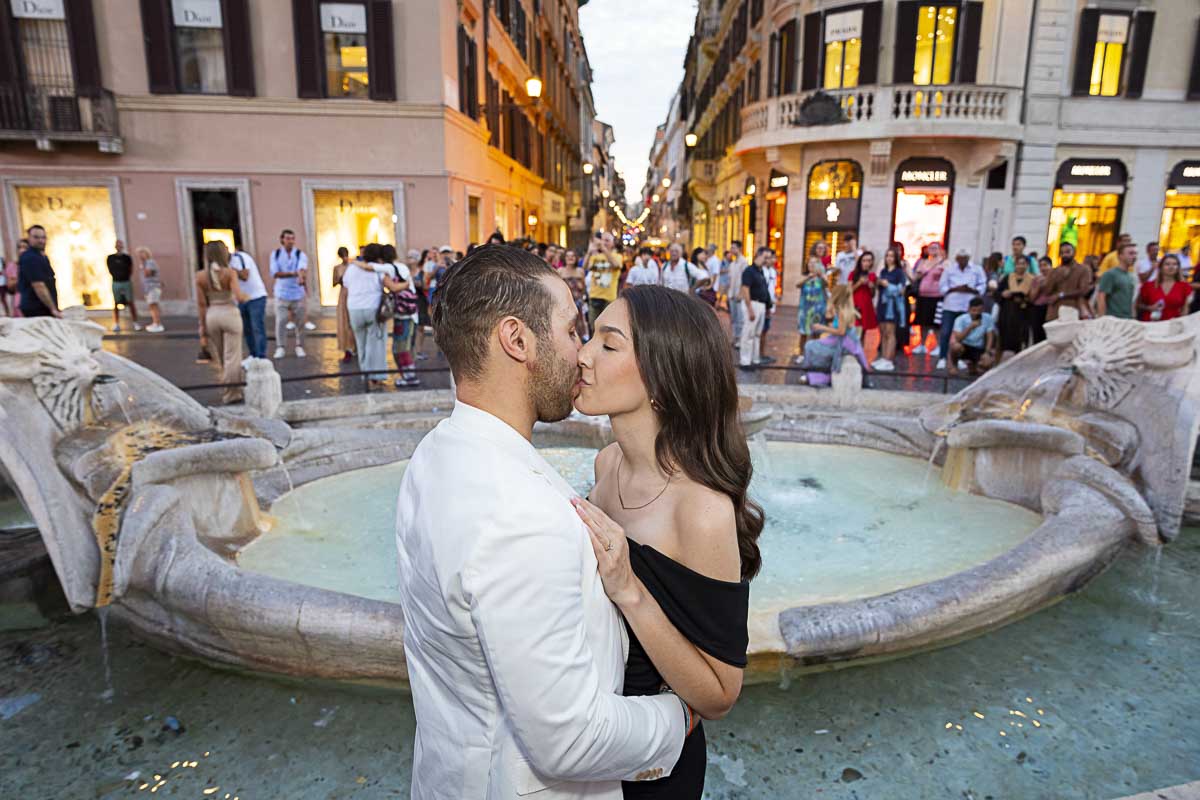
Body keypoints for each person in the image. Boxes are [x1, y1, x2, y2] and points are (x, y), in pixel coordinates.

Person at [395, 246, 698, 799]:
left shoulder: (435, 454)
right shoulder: (520, 517)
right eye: (570, 329)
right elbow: (568, 738)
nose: (581, 352)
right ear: (517, 340)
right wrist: (678, 720)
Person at [572, 285, 759, 797]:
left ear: (661, 377)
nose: (582, 356)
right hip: (596, 743)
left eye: (608, 346)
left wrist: (630, 589)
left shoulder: (699, 510)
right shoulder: (606, 464)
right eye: (589, 337)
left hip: (656, 765)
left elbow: (721, 695)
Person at [194, 242, 246, 405]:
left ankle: (232, 389)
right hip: (229, 313)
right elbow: (239, 296)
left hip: (212, 315)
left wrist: (202, 327)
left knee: (222, 357)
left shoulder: (200, 276)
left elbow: (202, 305)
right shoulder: (229, 273)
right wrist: (248, 297)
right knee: (233, 357)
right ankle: (232, 393)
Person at [344, 243, 396, 383]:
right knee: (376, 342)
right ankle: (376, 376)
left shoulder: (352, 268)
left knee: (360, 343)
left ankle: (365, 373)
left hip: (354, 308)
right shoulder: (379, 269)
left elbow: (346, 284)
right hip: (373, 308)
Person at [801, 284, 869, 386]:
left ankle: (814, 374)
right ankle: (813, 375)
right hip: (841, 339)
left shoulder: (842, 311)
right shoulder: (843, 309)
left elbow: (841, 332)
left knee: (810, 346)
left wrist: (822, 328)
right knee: (813, 346)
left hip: (843, 342)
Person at [936, 248, 987, 371]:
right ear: (957, 259)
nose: (962, 261)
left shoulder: (976, 269)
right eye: (960, 259)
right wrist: (954, 288)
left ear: (968, 259)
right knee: (946, 332)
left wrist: (972, 290)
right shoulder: (949, 269)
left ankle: (960, 359)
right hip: (951, 305)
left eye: (965, 259)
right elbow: (942, 286)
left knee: (965, 333)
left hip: (967, 306)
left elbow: (983, 284)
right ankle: (943, 357)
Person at [379, 243, 420, 387]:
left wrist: (402, 285)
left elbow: (393, 287)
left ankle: (410, 377)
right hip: (409, 313)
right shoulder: (401, 267)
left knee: (401, 348)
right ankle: (408, 375)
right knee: (402, 347)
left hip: (404, 315)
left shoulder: (388, 269)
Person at [270, 229, 309, 359]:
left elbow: (302, 268)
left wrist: (301, 276)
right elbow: (275, 273)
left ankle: (300, 346)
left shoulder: (299, 254)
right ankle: (280, 347)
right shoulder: (275, 254)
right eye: (288, 238)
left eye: (292, 238)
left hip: (297, 292)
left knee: (300, 321)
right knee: (281, 320)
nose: (290, 241)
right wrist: (293, 274)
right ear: (282, 240)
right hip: (281, 293)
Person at [227, 245, 267, 359]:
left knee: (257, 327)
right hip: (241, 299)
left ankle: (261, 356)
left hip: (256, 297)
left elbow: (245, 275)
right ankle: (253, 354)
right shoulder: (226, 265)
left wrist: (230, 271)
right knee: (247, 328)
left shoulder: (240, 257)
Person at [1037, 242, 1093, 322]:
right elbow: (1047, 291)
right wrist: (1055, 276)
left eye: (1067, 252)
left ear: (1074, 252)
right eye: (1062, 252)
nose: (1064, 255)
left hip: (1074, 311)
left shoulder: (1083, 269)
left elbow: (1084, 290)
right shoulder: (1055, 271)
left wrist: (1061, 295)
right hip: (1055, 313)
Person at [873, 246, 908, 371]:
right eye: (887, 256)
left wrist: (889, 286)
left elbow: (901, 290)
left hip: (892, 305)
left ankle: (889, 359)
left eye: (892, 256)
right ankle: (883, 356)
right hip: (882, 303)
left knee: (890, 332)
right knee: (882, 332)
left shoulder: (899, 272)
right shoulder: (883, 272)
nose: (889, 258)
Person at [995, 253, 1036, 359]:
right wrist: (1003, 294)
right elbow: (997, 293)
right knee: (1002, 340)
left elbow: (1034, 297)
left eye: (1024, 264)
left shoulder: (1032, 279)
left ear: (1027, 265)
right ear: (1015, 265)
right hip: (1007, 313)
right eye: (1018, 263)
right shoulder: (1008, 277)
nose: (1021, 266)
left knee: (1020, 340)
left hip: (1023, 313)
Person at [737, 247, 773, 368]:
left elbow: (764, 290)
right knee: (748, 334)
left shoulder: (760, 271)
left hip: (761, 305)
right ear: (758, 255)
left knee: (757, 334)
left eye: (768, 258)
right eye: (765, 257)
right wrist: (750, 308)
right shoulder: (749, 271)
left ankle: (754, 359)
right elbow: (745, 289)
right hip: (753, 304)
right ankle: (745, 361)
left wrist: (768, 307)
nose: (767, 260)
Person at [795, 240, 828, 362]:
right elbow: (797, 285)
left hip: (818, 307)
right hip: (805, 308)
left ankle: (814, 353)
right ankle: (801, 354)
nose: (813, 265)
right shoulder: (806, 276)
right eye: (810, 263)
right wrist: (809, 276)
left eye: (815, 264)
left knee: (816, 332)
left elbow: (827, 285)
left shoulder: (822, 274)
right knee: (803, 332)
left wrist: (821, 276)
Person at [17, 225, 59, 318]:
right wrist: (53, 309)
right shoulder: (31, 258)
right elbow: (39, 286)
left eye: (43, 237)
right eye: (36, 237)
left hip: (43, 309)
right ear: (29, 238)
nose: (41, 240)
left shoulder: (41, 257)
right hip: (37, 309)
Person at [947, 296, 996, 377]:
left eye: (979, 311)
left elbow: (990, 336)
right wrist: (970, 327)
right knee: (956, 347)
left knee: (987, 363)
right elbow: (958, 338)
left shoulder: (987, 318)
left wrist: (987, 352)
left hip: (978, 347)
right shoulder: (960, 319)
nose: (976, 313)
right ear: (969, 309)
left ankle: (973, 365)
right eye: (974, 310)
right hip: (964, 345)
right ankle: (954, 364)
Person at [912, 242, 945, 356]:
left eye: (935, 248)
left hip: (936, 296)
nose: (933, 250)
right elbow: (915, 276)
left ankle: (938, 345)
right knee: (923, 321)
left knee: (936, 322)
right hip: (923, 295)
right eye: (931, 248)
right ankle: (922, 344)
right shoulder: (923, 262)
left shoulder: (944, 263)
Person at [1137, 254, 1191, 322]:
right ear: (1161, 267)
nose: (1171, 267)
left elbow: (1185, 310)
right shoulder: (1148, 286)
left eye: (1175, 264)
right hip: (1151, 324)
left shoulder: (1184, 286)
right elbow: (1138, 305)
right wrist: (1150, 308)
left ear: (1178, 268)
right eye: (1167, 264)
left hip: (1173, 325)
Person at [584, 233, 622, 329]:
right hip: (594, 296)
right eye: (602, 240)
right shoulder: (595, 256)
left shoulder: (617, 256)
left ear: (613, 244)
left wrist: (603, 249)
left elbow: (615, 265)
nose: (603, 242)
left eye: (607, 240)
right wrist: (589, 252)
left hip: (609, 298)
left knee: (608, 328)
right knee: (593, 327)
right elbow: (584, 267)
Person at [1095, 241, 1138, 319]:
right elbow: (1101, 297)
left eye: (1135, 253)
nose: (1134, 256)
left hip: (1127, 320)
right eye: (1131, 253)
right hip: (1113, 320)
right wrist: (1103, 320)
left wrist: (1133, 317)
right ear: (1120, 256)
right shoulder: (1110, 274)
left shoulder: (1131, 276)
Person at [107, 240, 142, 332]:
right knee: (116, 303)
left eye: (120, 245)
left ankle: (135, 322)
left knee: (130, 302)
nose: (119, 247)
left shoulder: (127, 258)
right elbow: (110, 269)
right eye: (117, 245)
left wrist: (126, 276)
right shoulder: (110, 258)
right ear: (115, 246)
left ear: (122, 246)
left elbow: (131, 269)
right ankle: (116, 323)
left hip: (126, 281)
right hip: (116, 282)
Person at [332, 247, 357, 362]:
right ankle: (347, 348)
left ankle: (356, 347)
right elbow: (334, 282)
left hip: (354, 293)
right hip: (344, 295)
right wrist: (340, 279)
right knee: (345, 323)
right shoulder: (337, 268)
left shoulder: (354, 266)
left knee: (354, 322)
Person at [134, 247, 164, 332]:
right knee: (152, 306)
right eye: (138, 254)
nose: (139, 256)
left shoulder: (149, 262)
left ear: (146, 253)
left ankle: (157, 324)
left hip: (152, 287)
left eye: (141, 254)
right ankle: (155, 322)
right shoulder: (146, 263)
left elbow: (147, 273)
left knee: (153, 306)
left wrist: (143, 265)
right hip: (149, 288)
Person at [849, 251, 878, 335]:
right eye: (864, 260)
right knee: (854, 331)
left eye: (869, 261)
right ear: (860, 262)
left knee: (863, 332)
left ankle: (860, 348)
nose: (866, 263)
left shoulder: (872, 275)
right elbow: (848, 291)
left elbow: (872, 295)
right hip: (855, 306)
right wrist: (859, 283)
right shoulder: (853, 274)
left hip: (866, 306)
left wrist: (871, 287)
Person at [759, 248, 779, 363]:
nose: (773, 260)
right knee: (761, 330)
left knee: (765, 330)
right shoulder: (762, 271)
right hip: (763, 305)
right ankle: (760, 354)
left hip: (769, 305)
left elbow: (772, 288)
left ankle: (762, 353)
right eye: (771, 257)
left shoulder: (772, 271)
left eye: (773, 257)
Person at [727, 241, 748, 345]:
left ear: (739, 248)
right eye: (731, 248)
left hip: (740, 295)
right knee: (734, 317)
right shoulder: (732, 264)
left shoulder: (744, 262)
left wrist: (741, 293)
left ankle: (740, 339)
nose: (731, 250)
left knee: (740, 317)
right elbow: (730, 280)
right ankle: (735, 337)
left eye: (733, 248)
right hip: (732, 294)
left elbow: (744, 280)